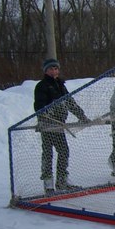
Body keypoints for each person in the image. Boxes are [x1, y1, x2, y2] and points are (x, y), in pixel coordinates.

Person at [34, 58, 89, 193]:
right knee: (48, 153)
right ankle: (48, 182)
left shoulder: (61, 85)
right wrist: (48, 113)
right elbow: (39, 105)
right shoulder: (42, 86)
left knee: (64, 151)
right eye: (51, 69)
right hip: (48, 125)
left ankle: (61, 181)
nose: (54, 71)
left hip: (59, 126)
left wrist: (82, 116)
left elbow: (70, 103)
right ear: (46, 71)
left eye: (56, 68)